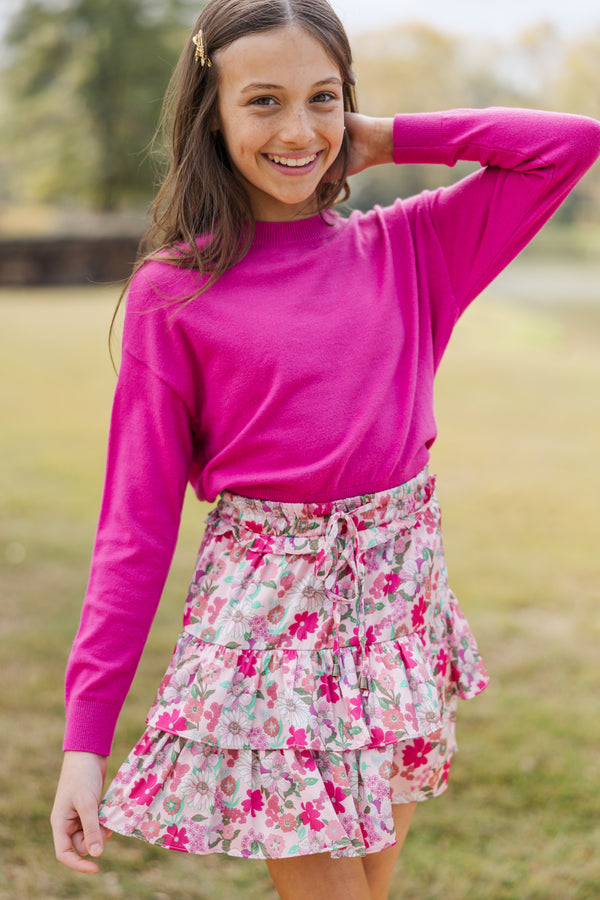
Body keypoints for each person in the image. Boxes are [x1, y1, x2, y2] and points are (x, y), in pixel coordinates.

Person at [50, 1, 600, 898]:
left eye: (323, 98)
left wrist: (382, 136)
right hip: (269, 631)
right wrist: (84, 740)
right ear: (211, 113)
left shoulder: (414, 247)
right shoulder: (173, 294)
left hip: (398, 607)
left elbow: (569, 142)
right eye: (262, 102)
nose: (298, 130)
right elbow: (133, 527)